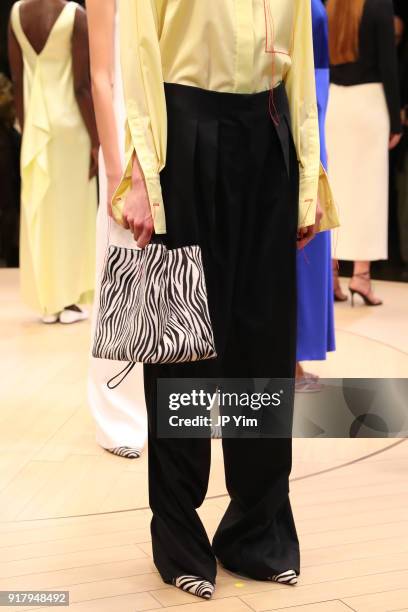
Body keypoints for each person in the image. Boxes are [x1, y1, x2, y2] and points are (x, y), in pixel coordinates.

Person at [112, 0, 339, 600]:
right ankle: (180, 537)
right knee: (183, 348)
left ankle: (255, 532)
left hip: (268, 138)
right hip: (184, 136)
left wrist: (310, 176)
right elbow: (139, 56)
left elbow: (302, 61)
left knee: (263, 346)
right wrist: (140, 171)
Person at [8, 0, 97, 323]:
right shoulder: (75, 15)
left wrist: (25, 128)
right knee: (72, 214)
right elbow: (82, 86)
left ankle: (50, 301)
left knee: (43, 211)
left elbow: (18, 82)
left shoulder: (17, 13)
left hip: (36, 125)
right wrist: (97, 144)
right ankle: (69, 300)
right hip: (71, 128)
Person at [86, 0, 147, 459]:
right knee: (121, 280)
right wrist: (113, 170)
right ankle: (117, 417)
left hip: (175, 130)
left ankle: (183, 409)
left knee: (182, 279)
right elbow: (101, 76)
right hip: (126, 141)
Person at [326, 0, 402, 306]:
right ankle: (361, 276)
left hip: (334, 103)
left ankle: (330, 274)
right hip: (369, 103)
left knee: (335, 189)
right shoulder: (379, 6)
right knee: (368, 191)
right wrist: (396, 120)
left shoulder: (330, 5)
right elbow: (388, 65)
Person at [296, 0, 336, 390]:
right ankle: (289, 363)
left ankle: (290, 361)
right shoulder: (309, 8)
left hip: (308, 121)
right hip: (303, 125)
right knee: (301, 248)